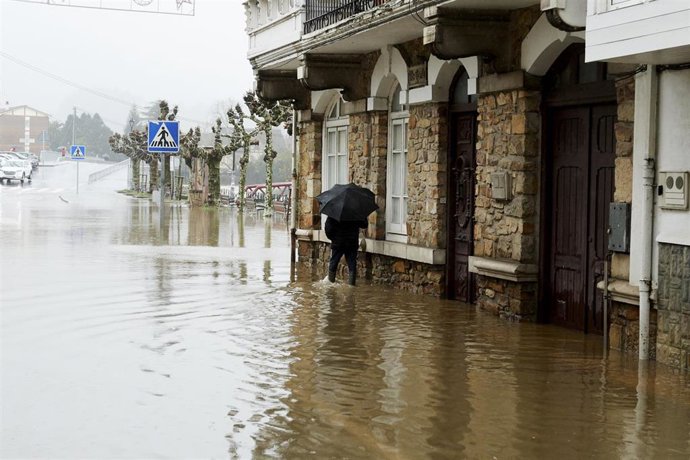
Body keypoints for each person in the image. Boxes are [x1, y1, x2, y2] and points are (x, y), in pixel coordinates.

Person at [325, 216, 367, 285]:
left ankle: (330, 283)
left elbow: (328, 228)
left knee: (334, 263)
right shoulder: (355, 211)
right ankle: (351, 285)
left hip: (338, 242)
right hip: (351, 242)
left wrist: (333, 238)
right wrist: (363, 216)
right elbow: (364, 225)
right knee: (352, 265)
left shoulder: (335, 211)